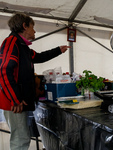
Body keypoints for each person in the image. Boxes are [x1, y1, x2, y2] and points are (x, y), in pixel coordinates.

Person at [0, 13, 71, 150]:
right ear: (24, 26)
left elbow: (38, 57)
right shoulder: (11, 42)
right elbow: (4, 71)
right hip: (14, 102)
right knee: (20, 140)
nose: (35, 31)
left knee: (22, 137)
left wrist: (58, 50)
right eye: (32, 27)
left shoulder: (22, 47)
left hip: (20, 100)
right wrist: (15, 99)